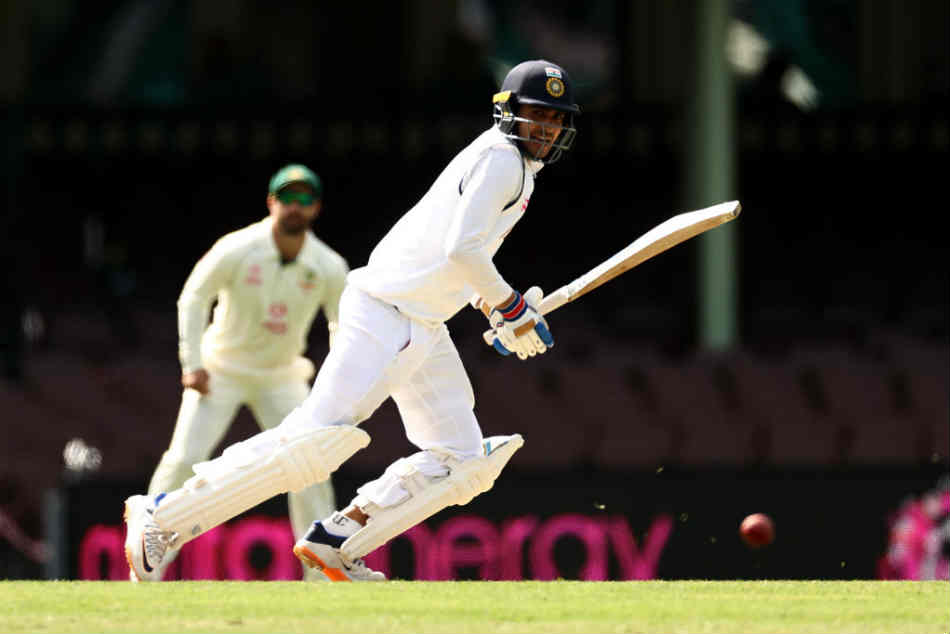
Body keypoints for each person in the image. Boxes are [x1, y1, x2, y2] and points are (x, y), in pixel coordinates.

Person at [124, 59, 581, 582]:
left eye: (555, 119)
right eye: (536, 115)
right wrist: (510, 305)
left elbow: (449, 250)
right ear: (508, 111)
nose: (546, 129)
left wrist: (493, 304)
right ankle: (163, 515)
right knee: (312, 445)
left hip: (422, 322)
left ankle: (339, 538)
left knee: (462, 459)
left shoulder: (512, 166)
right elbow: (461, 248)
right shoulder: (502, 160)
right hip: (387, 312)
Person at [139, 164, 348, 581]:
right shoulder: (237, 247)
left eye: (305, 199)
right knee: (184, 460)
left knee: (310, 466)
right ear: (271, 202)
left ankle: (321, 573)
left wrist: (337, 386)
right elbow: (194, 297)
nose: (295, 206)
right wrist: (193, 364)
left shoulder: (328, 265)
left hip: (282, 376)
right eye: (287, 197)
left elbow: (343, 326)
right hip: (221, 370)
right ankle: (146, 558)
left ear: (316, 208)